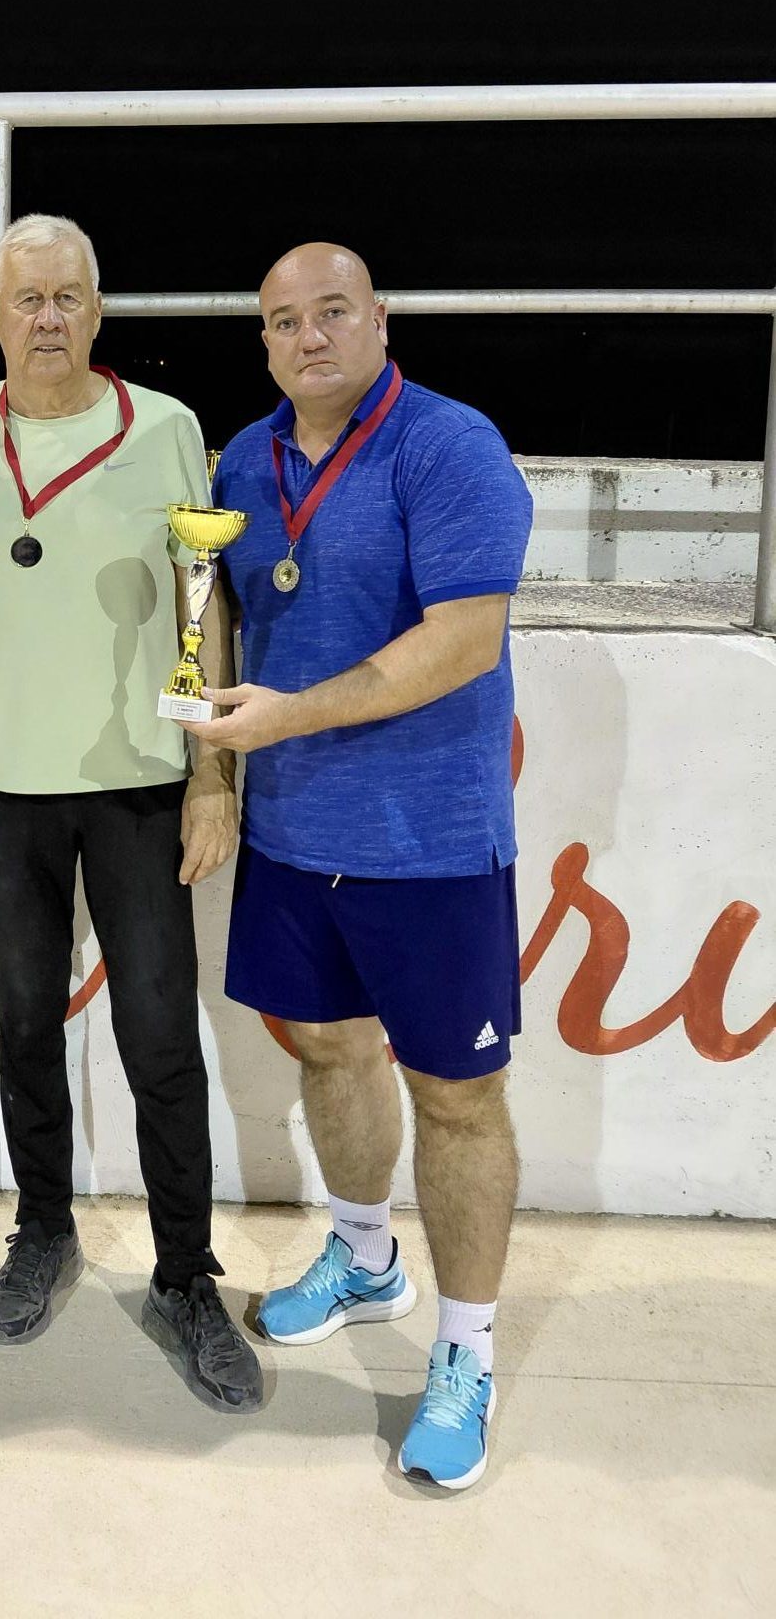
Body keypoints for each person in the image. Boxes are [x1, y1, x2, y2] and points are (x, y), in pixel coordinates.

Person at [0, 212, 263, 1415]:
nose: (48, 318)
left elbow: (202, 603)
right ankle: (43, 1229)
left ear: (97, 313)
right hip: (0, 791)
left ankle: (186, 1275)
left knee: (160, 1037)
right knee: (24, 1024)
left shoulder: (167, 429)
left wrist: (211, 775)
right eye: (27, 298)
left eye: (68, 298)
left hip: (142, 785)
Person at [190, 240, 534, 1488]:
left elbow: (463, 641)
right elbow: (219, 609)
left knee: (457, 1097)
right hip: (292, 834)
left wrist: (288, 715)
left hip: (428, 842)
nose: (311, 337)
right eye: (285, 321)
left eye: (333, 312)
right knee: (332, 1051)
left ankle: (465, 1351)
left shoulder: (449, 447)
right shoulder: (244, 460)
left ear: (379, 319)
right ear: (266, 343)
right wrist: (215, 767)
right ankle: (366, 1256)